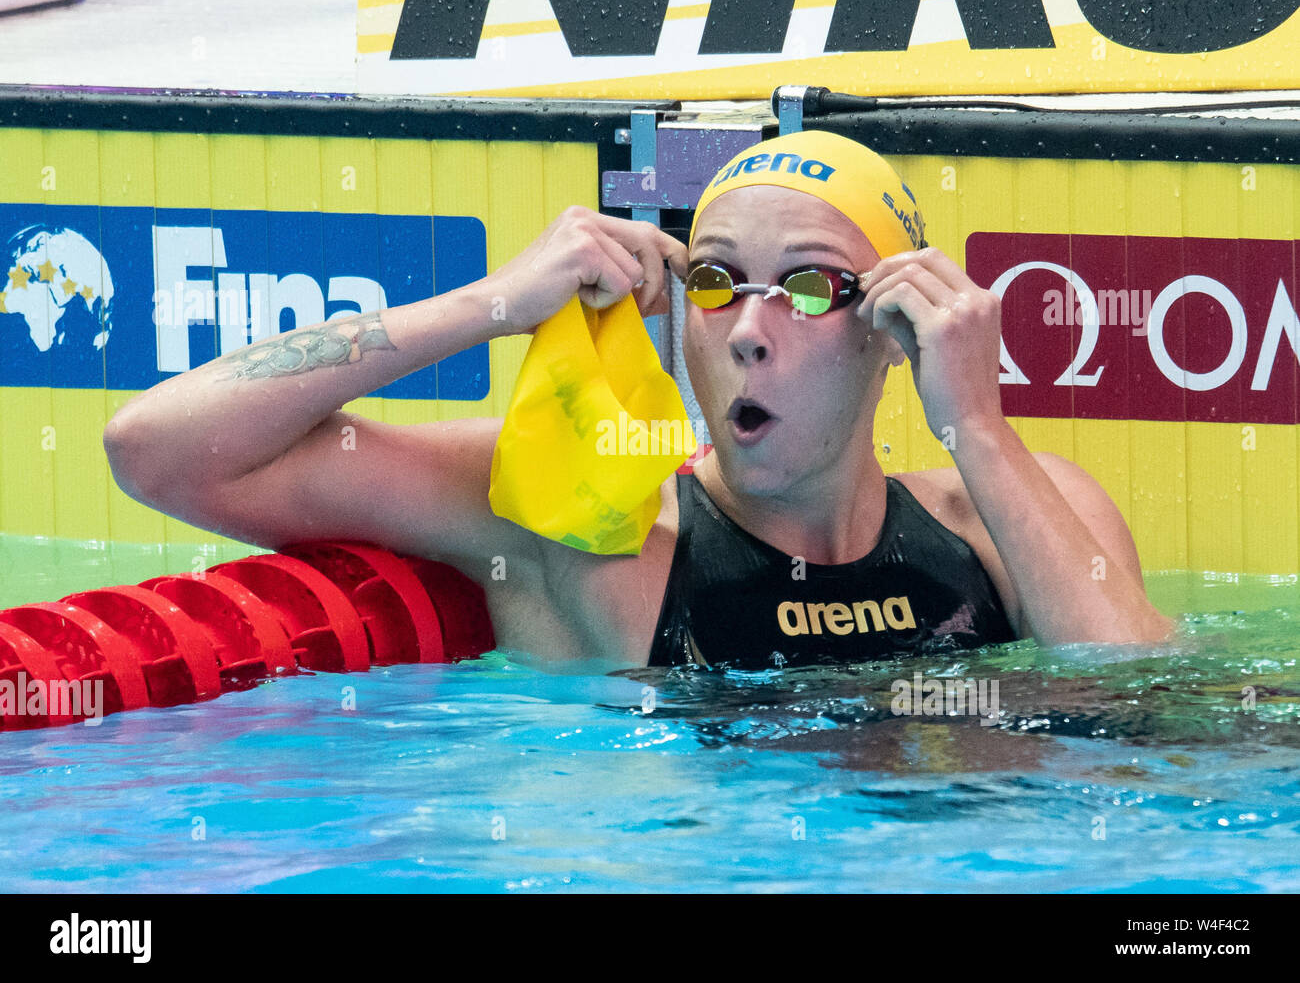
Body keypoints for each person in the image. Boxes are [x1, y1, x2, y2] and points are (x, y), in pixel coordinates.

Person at [103, 130, 1175, 671]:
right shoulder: (590, 531)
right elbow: (158, 448)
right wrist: (490, 303)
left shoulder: (1001, 514)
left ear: (893, 332)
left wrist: (976, 427)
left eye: (807, 287)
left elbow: (1144, 720)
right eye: (712, 279)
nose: (747, 327)